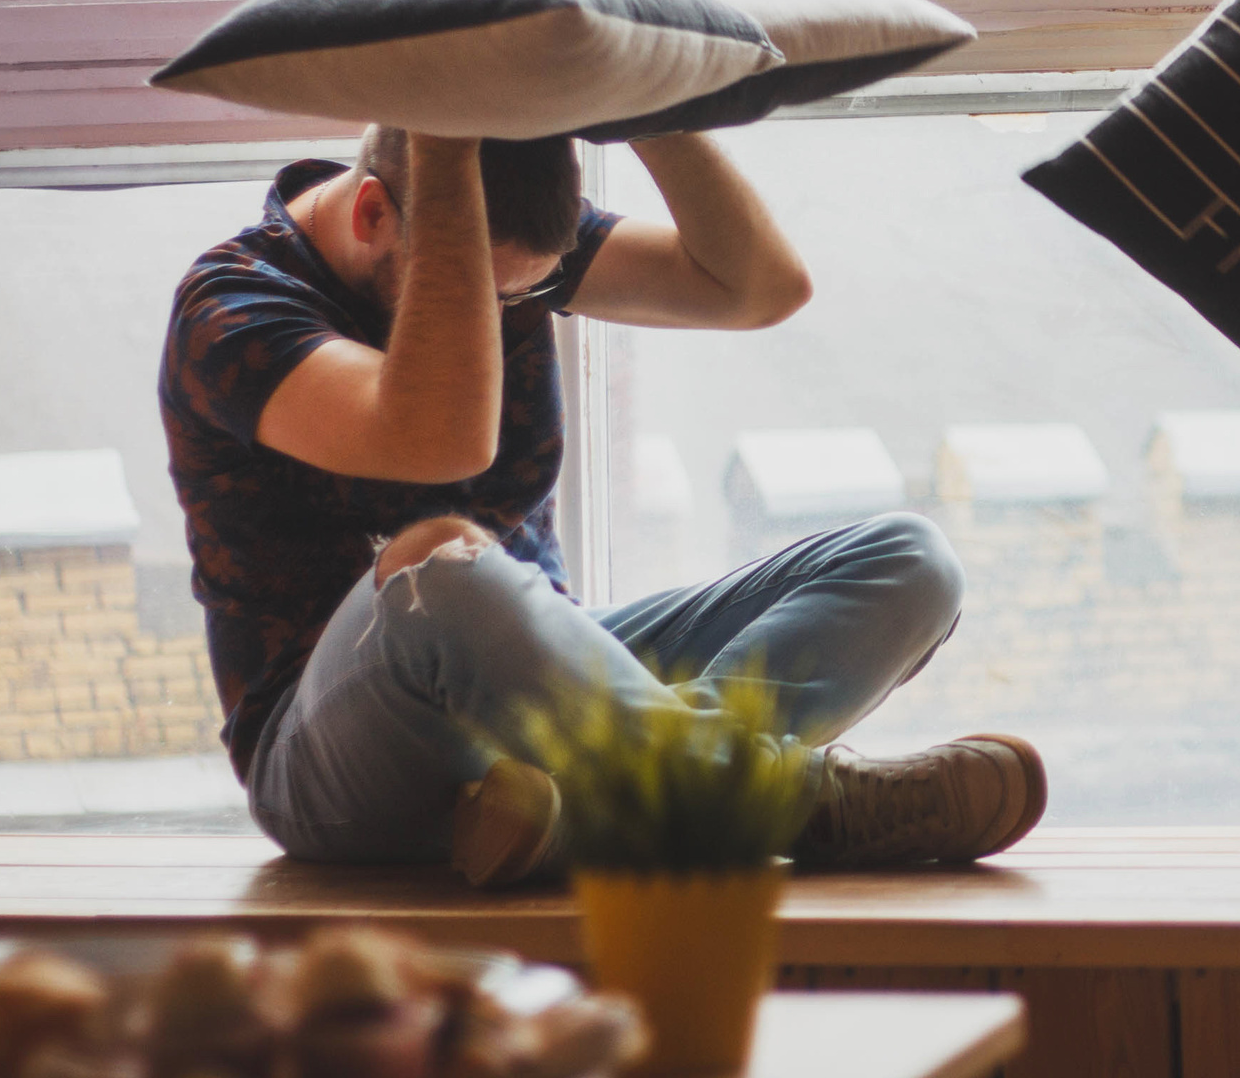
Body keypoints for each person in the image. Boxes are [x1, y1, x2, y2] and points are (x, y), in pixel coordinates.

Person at [161, 125, 1045, 886]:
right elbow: (437, 439)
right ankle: (785, 800)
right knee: (442, 563)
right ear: (369, 216)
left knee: (910, 560)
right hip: (333, 763)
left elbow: (759, 286)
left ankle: (579, 818)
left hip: (546, 702)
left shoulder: (508, 238)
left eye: (520, 294)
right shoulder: (232, 308)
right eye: (495, 293)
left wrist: (650, 107)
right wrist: (440, 140)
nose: (510, 311)